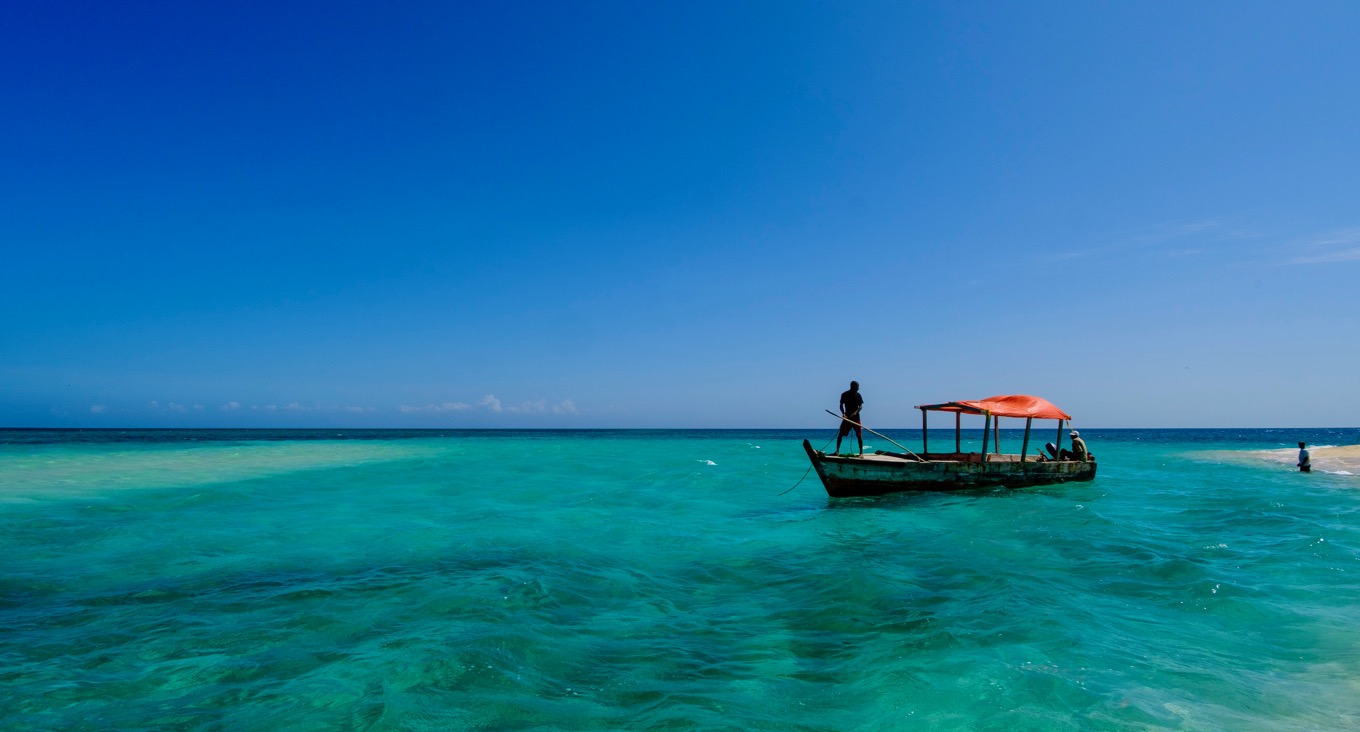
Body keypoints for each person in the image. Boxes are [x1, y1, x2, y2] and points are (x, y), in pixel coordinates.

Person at [834, 381, 864, 456]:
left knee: (859, 435)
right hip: (847, 418)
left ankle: (861, 453)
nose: (858, 389)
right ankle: (837, 451)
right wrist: (843, 413)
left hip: (856, 418)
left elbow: (860, 406)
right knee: (840, 434)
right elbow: (841, 405)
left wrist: (855, 413)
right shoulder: (844, 394)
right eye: (857, 387)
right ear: (852, 387)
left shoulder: (858, 395)